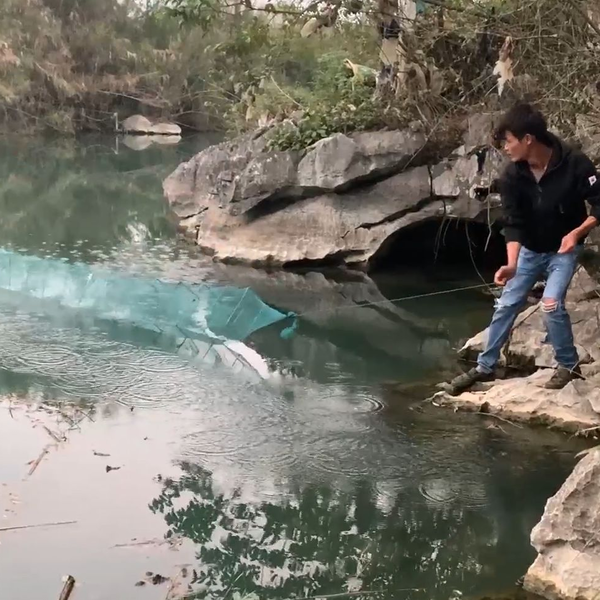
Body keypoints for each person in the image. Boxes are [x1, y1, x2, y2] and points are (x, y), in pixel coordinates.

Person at [444, 102, 600, 395]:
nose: (505, 148)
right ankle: (485, 367)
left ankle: (568, 366)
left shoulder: (575, 163)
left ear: (528, 139)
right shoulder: (512, 176)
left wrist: (577, 233)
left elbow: (599, 203)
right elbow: (513, 222)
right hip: (529, 251)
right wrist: (512, 264)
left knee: (551, 303)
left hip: (563, 251)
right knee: (506, 305)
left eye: (508, 141)